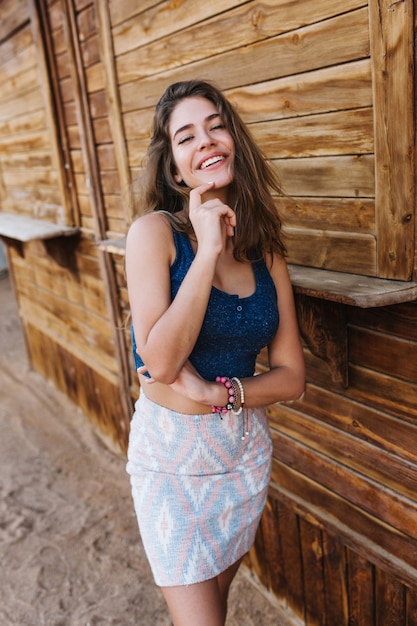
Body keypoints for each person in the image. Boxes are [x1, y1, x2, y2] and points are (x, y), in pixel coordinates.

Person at [125, 79, 305, 626]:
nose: (206, 140)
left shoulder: (265, 250)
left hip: (243, 456)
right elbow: (159, 361)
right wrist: (205, 252)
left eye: (216, 126)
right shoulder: (153, 235)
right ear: (176, 169)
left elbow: (292, 377)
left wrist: (218, 393)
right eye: (186, 136)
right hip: (171, 463)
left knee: (215, 607)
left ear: (233, 141)